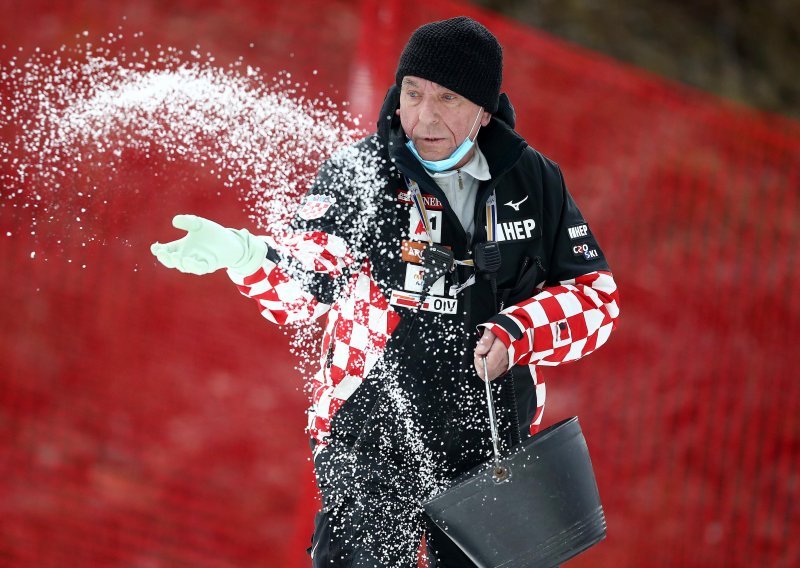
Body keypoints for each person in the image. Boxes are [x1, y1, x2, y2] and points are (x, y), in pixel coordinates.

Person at [151, 16, 620, 568]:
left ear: (484, 111)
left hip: (491, 444)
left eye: (447, 98)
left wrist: (518, 331)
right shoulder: (360, 173)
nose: (425, 115)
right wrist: (246, 254)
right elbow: (309, 279)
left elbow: (595, 297)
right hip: (369, 435)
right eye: (414, 93)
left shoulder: (533, 180)